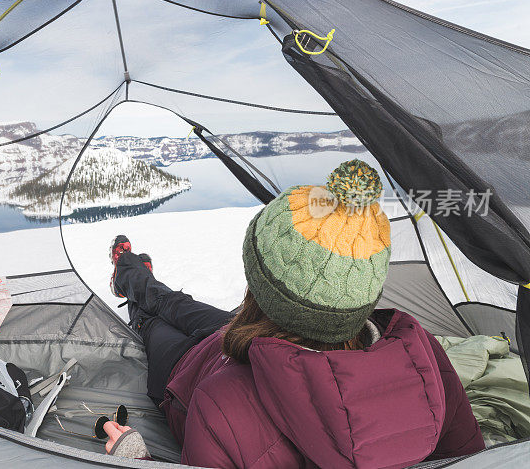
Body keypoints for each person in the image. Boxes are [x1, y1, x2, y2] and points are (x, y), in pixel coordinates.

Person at [100, 160, 485, 468]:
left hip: (186, 370)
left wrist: (137, 458)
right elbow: (467, 457)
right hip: (238, 335)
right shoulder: (423, 356)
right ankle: (132, 275)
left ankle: (132, 285)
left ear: (261, 292)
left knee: (157, 320)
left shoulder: (221, 406)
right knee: (170, 302)